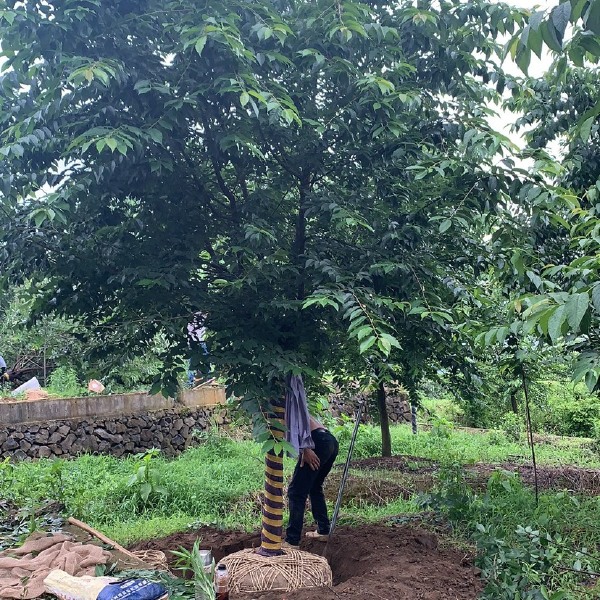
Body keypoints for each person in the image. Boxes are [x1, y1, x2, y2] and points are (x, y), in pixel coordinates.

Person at [283, 376, 339, 548]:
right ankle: (323, 530)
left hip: (314, 442)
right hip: (328, 440)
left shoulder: (281, 403)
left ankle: (292, 540)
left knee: (296, 492)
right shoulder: (293, 400)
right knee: (314, 486)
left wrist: (305, 449)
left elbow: (295, 426)